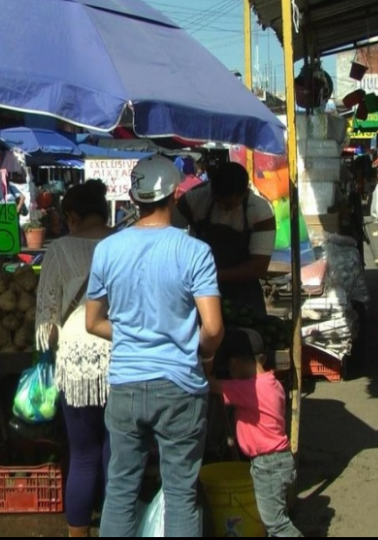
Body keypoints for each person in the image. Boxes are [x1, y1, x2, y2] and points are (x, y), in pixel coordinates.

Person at [85, 155, 225, 537]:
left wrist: (136, 334)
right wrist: (195, 348)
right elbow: (212, 328)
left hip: (126, 386)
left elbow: (93, 321)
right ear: (176, 194)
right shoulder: (194, 252)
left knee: (120, 491)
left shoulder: (108, 250)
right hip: (180, 386)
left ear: (134, 198)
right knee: (180, 494)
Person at [35, 180, 113, 538]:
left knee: (82, 456)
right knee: (117, 454)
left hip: (78, 358)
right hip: (121, 352)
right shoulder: (124, 243)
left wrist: (52, 346)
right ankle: (118, 528)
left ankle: (78, 534)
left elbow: (47, 322)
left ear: (73, 216)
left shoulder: (60, 250)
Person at [208, 329, 302, 538]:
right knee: (275, 519)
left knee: (276, 524)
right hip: (278, 461)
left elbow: (213, 386)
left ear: (234, 364)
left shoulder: (250, 389)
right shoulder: (273, 383)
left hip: (268, 464)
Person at [174, 161, 275, 318]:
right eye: (218, 200)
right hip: (201, 289)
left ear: (244, 194)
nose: (222, 207)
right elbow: (168, 235)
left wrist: (213, 275)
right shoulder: (194, 199)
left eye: (229, 204)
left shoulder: (260, 210)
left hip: (244, 292)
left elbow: (259, 266)